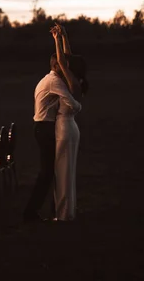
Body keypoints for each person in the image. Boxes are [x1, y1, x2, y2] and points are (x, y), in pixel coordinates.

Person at [23, 43, 82, 223]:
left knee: (51, 172)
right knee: (47, 172)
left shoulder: (51, 78)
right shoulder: (54, 81)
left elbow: (66, 58)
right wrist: (79, 105)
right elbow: (72, 100)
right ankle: (30, 212)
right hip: (45, 128)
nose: (67, 67)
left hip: (44, 127)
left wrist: (62, 38)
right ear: (56, 66)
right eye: (63, 64)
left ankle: (50, 208)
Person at [51, 24, 87, 221]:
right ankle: (69, 210)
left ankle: (63, 214)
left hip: (64, 128)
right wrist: (64, 36)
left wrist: (56, 39)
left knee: (62, 172)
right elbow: (68, 58)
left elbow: (62, 61)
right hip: (72, 127)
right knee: (69, 171)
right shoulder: (75, 80)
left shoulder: (70, 80)